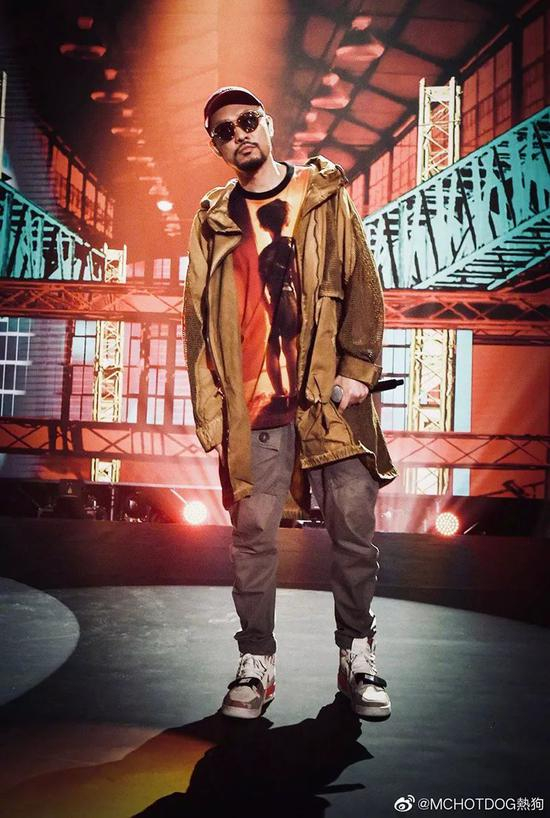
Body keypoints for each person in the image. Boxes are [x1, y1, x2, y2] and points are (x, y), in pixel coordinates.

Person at [183, 86, 398, 721]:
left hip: (328, 400)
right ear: (217, 146)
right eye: (224, 130)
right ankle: (256, 663)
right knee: (252, 537)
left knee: (353, 532)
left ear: (269, 124)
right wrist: (212, 403)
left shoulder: (323, 195)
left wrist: (358, 370)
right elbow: (196, 318)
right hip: (255, 406)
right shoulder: (213, 217)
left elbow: (363, 282)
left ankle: (357, 656)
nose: (239, 134)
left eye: (247, 121)